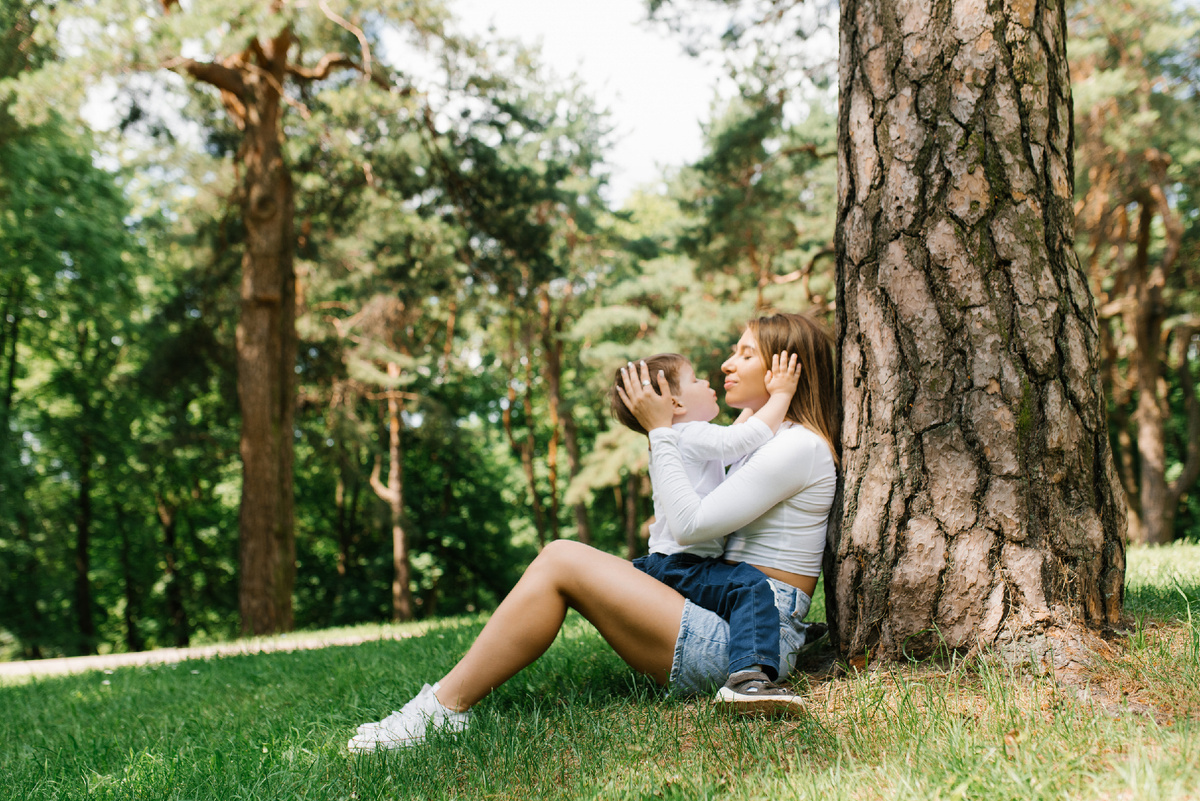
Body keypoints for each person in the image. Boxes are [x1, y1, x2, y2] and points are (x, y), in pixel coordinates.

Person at [347, 312, 839, 753]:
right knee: (572, 562)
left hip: (746, 644)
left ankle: (442, 709)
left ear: (785, 366)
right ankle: (442, 706)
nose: (727, 364)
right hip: (729, 615)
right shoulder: (768, 439)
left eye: (745, 353)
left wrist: (661, 431)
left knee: (562, 557)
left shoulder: (797, 448)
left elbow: (690, 525)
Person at [608, 350, 806, 709]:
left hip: (669, 560)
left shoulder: (683, 437)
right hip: (683, 562)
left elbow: (734, 435)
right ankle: (747, 678)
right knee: (748, 585)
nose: (707, 382)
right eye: (696, 379)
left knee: (734, 588)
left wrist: (756, 402)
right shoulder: (688, 434)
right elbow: (742, 440)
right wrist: (781, 394)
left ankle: (765, 641)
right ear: (676, 402)